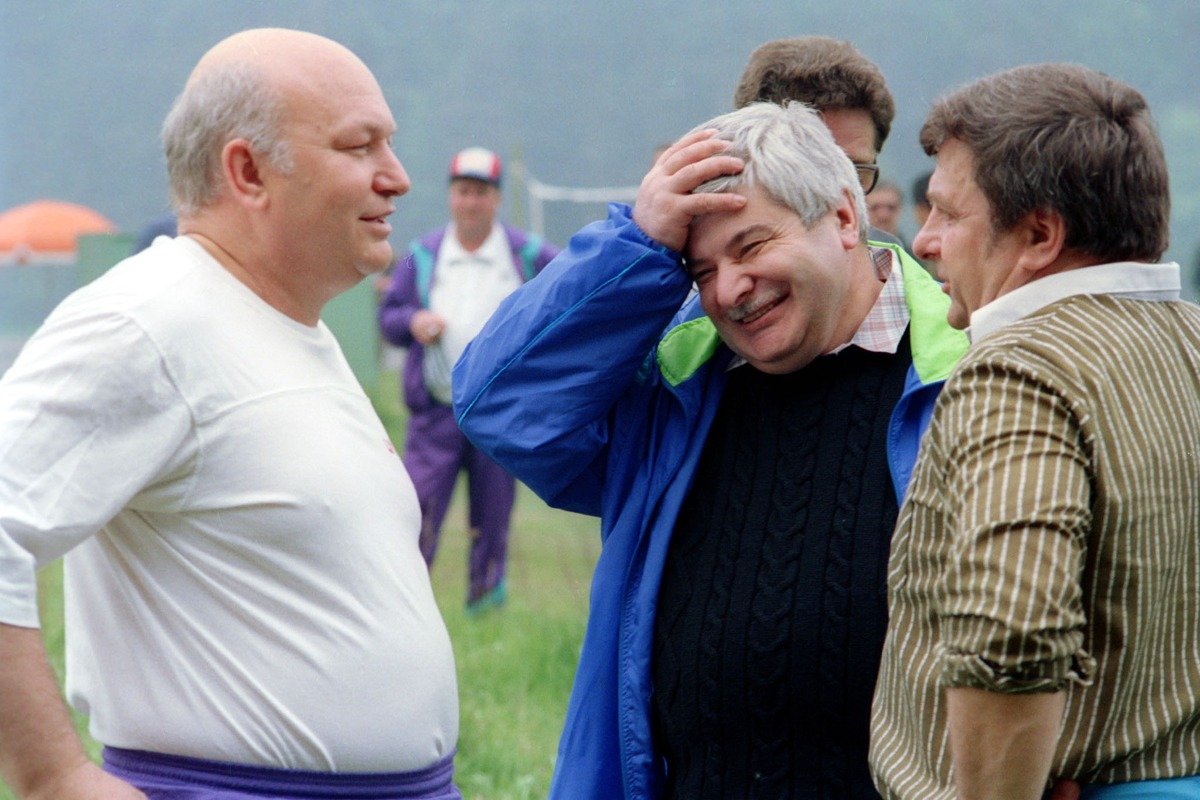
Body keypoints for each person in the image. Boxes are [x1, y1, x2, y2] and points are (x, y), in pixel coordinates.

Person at [453, 101, 968, 799]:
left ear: (845, 219)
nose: (728, 291)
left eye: (752, 247)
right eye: (699, 269)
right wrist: (636, 246)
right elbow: (501, 404)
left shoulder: (964, 375)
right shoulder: (674, 394)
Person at [0, 28, 462, 800]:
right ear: (248, 171)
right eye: (361, 147)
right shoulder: (148, 321)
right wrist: (52, 776)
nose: (398, 177)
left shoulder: (289, 324)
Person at [870, 63, 1200, 800]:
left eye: (949, 215)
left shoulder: (1019, 372)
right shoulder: (1193, 343)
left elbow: (1012, 634)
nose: (922, 242)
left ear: (1039, 235)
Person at [379, 147, 557, 611]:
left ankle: (485, 601)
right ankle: (406, 602)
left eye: (480, 193)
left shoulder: (528, 254)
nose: (471, 202)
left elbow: (568, 298)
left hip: (499, 415)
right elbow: (389, 317)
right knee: (419, 509)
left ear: (495, 199)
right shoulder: (421, 255)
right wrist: (415, 320)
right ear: (451, 196)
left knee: (493, 514)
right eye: (463, 192)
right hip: (435, 412)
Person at [733, 36, 904, 249]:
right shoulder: (700, 271)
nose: (837, 204)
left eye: (855, 173)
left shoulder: (907, 274)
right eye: (809, 169)